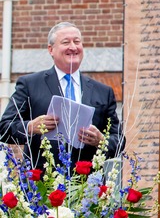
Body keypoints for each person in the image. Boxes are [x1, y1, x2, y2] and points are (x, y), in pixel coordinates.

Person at [0, 22, 125, 169]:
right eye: (66, 42)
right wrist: (30, 127)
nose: (73, 47)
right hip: (42, 184)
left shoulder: (103, 91)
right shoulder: (30, 85)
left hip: (88, 184)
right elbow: (4, 128)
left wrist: (101, 141)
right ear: (51, 49)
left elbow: (119, 141)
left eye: (77, 41)